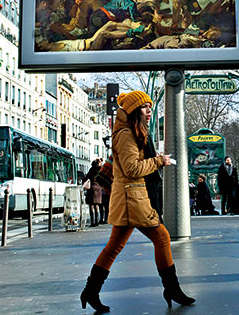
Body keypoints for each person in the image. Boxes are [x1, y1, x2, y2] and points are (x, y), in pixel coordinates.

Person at [80, 91, 195, 312]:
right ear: (134, 111)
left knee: (114, 246)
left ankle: (91, 291)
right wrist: (159, 161)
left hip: (131, 196)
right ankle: (171, 288)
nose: (149, 111)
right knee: (161, 238)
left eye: (150, 107)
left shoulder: (132, 132)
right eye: (144, 108)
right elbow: (132, 168)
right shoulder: (125, 134)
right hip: (131, 198)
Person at [85, 159, 103, 227]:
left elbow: (87, 178)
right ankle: (97, 220)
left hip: (92, 188)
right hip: (98, 188)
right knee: (97, 205)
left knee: (91, 205)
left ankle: (92, 221)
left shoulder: (91, 170)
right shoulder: (100, 170)